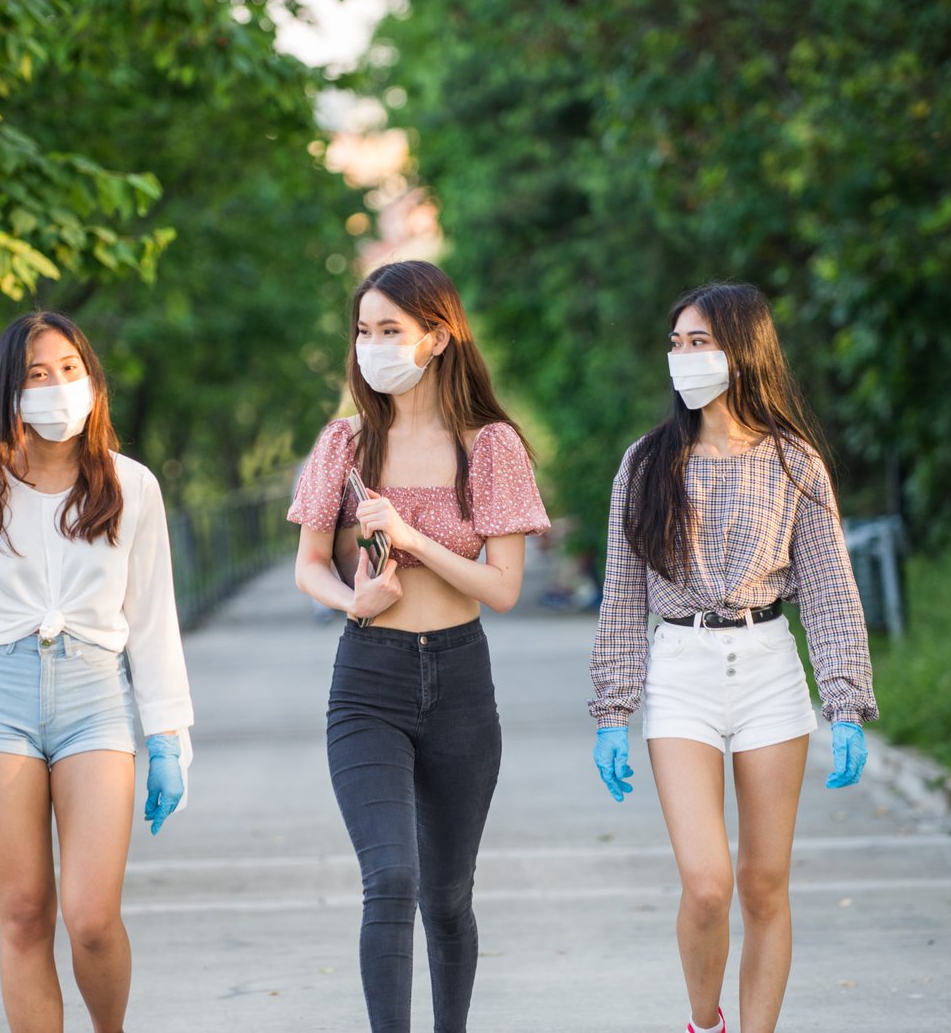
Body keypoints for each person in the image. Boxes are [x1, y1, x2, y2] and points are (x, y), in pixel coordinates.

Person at [0, 310, 193, 1033]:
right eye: (36, 374)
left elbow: (153, 621)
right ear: (9, 393)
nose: (57, 387)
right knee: (24, 913)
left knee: (91, 917)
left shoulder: (132, 486)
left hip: (96, 700)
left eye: (69, 370)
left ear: (91, 381)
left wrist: (168, 737)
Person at [587, 283, 876, 1033]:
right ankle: (703, 1023)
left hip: (769, 671)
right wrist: (612, 712)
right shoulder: (646, 463)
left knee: (762, 885)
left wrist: (845, 703)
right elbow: (620, 594)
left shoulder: (794, 462)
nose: (685, 358)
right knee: (709, 884)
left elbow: (830, 591)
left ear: (743, 353)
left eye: (702, 342)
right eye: (678, 343)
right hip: (680, 670)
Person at [289, 260, 550, 1032]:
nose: (372, 346)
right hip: (369, 681)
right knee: (391, 878)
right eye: (364, 331)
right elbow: (308, 565)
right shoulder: (345, 445)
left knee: (446, 894)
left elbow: (501, 589)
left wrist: (412, 539)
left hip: (462, 684)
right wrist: (353, 598)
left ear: (437, 337)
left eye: (389, 331)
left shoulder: (490, 446)